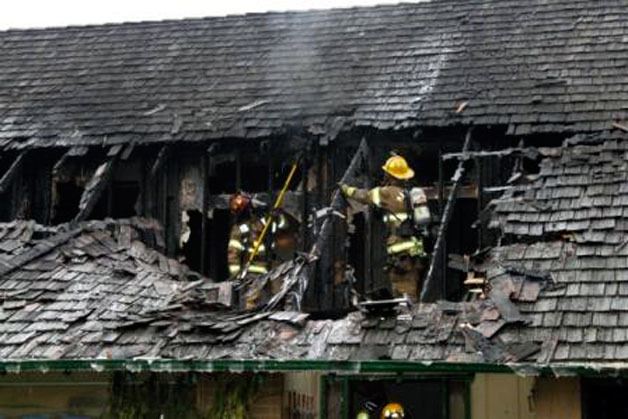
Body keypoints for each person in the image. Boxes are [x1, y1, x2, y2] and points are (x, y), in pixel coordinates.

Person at [340, 154, 430, 302]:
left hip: (400, 255)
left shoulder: (386, 193)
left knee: (403, 295)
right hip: (415, 252)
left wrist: (345, 189)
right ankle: (409, 317)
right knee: (412, 290)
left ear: (389, 175)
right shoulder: (409, 195)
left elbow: (364, 196)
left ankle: (406, 321)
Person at [227, 192, 299, 308]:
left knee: (279, 299)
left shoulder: (262, 222)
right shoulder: (239, 229)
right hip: (252, 273)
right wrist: (237, 275)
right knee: (251, 304)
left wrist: (277, 215)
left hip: (272, 268)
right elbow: (233, 254)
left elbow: (283, 226)